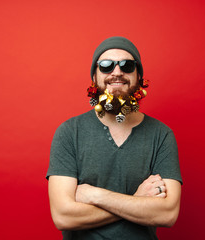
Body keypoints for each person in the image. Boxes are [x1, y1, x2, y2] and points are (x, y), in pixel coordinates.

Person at [46, 36, 182, 240]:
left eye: (127, 66)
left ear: (138, 76)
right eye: (106, 66)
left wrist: (95, 195)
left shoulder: (161, 135)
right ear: (94, 76)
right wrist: (137, 200)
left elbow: (167, 214)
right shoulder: (68, 132)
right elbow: (63, 216)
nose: (117, 72)